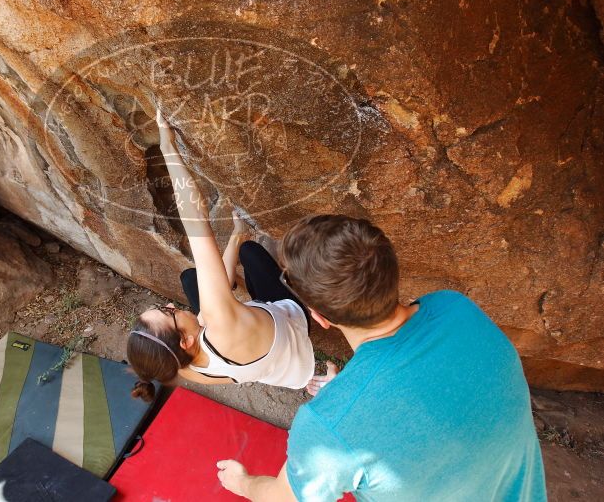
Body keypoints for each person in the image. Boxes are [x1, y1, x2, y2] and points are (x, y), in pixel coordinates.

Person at [216, 214, 547, 502]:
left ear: (318, 316)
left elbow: (281, 498)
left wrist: (243, 483)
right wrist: (346, 396)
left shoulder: (327, 428)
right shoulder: (455, 306)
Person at [125, 109, 315, 402]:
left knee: (194, 279)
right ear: (186, 340)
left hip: (283, 367)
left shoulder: (182, 367)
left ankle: (240, 248)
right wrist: (167, 146)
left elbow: (218, 295)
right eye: (168, 312)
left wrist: (236, 235)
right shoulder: (218, 322)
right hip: (294, 323)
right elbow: (194, 216)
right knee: (251, 254)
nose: (168, 303)